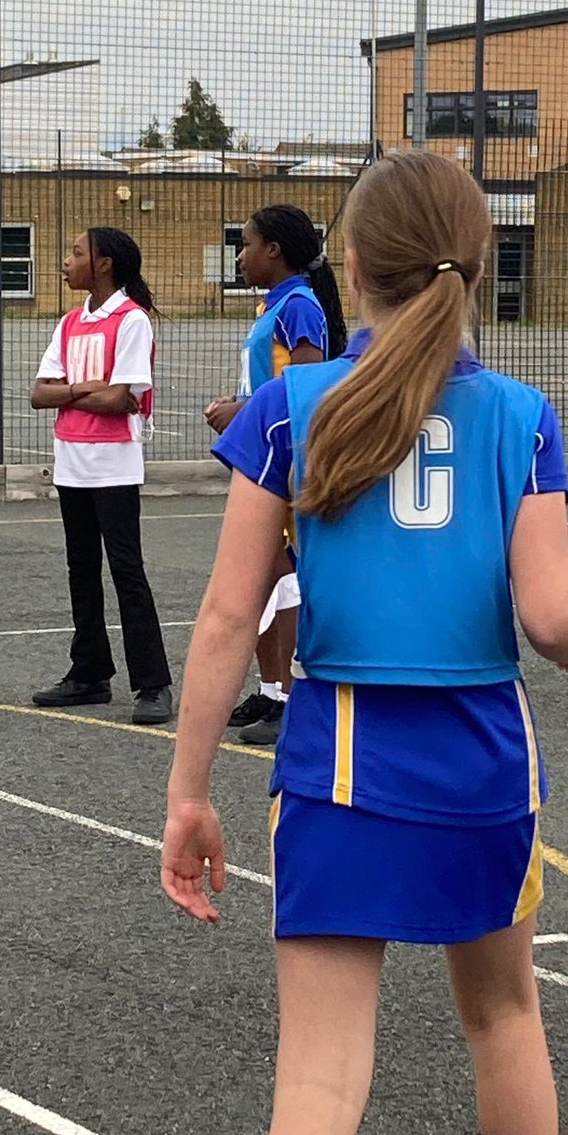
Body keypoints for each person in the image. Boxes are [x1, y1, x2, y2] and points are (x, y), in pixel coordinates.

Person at [162, 151, 568, 1135]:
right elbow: (550, 617)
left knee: (321, 1078)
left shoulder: (289, 408)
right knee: (504, 1021)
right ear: (474, 264)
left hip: (342, 755)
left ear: (353, 262)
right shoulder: (521, 416)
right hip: (481, 753)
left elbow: (229, 617)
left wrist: (190, 793)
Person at [205, 204, 347, 746]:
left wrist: (244, 414)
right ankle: (270, 688)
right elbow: (273, 382)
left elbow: (309, 387)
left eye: (245, 244)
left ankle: (290, 696)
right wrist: (242, 406)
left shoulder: (301, 307)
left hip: (290, 458)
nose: (239, 256)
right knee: (261, 576)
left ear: (274, 251)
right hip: (264, 453)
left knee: (278, 575)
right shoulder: (275, 305)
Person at [30, 227, 173, 726]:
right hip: (71, 458)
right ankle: (89, 671)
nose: (66, 261)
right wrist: (84, 389)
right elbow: (38, 393)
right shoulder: (71, 322)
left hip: (113, 461)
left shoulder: (131, 321)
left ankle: (153, 683)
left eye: (75, 253)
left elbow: (122, 399)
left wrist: (72, 391)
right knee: (81, 568)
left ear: (104, 263)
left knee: (126, 570)